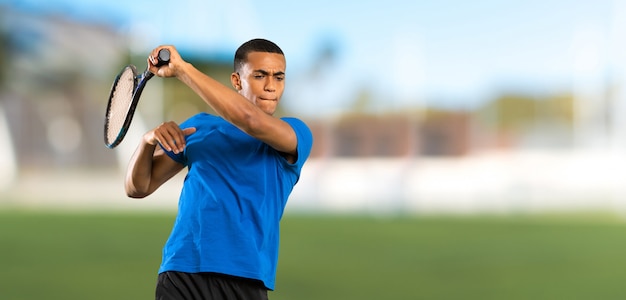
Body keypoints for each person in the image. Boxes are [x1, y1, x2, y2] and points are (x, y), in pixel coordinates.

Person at [124, 38, 313, 300]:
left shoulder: (295, 133)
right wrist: (147, 142)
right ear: (237, 81)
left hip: (244, 279)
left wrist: (182, 69)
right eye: (260, 76)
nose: (271, 86)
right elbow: (137, 187)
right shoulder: (199, 127)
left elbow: (250, 120)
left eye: (278, 77)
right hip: (181, 272)